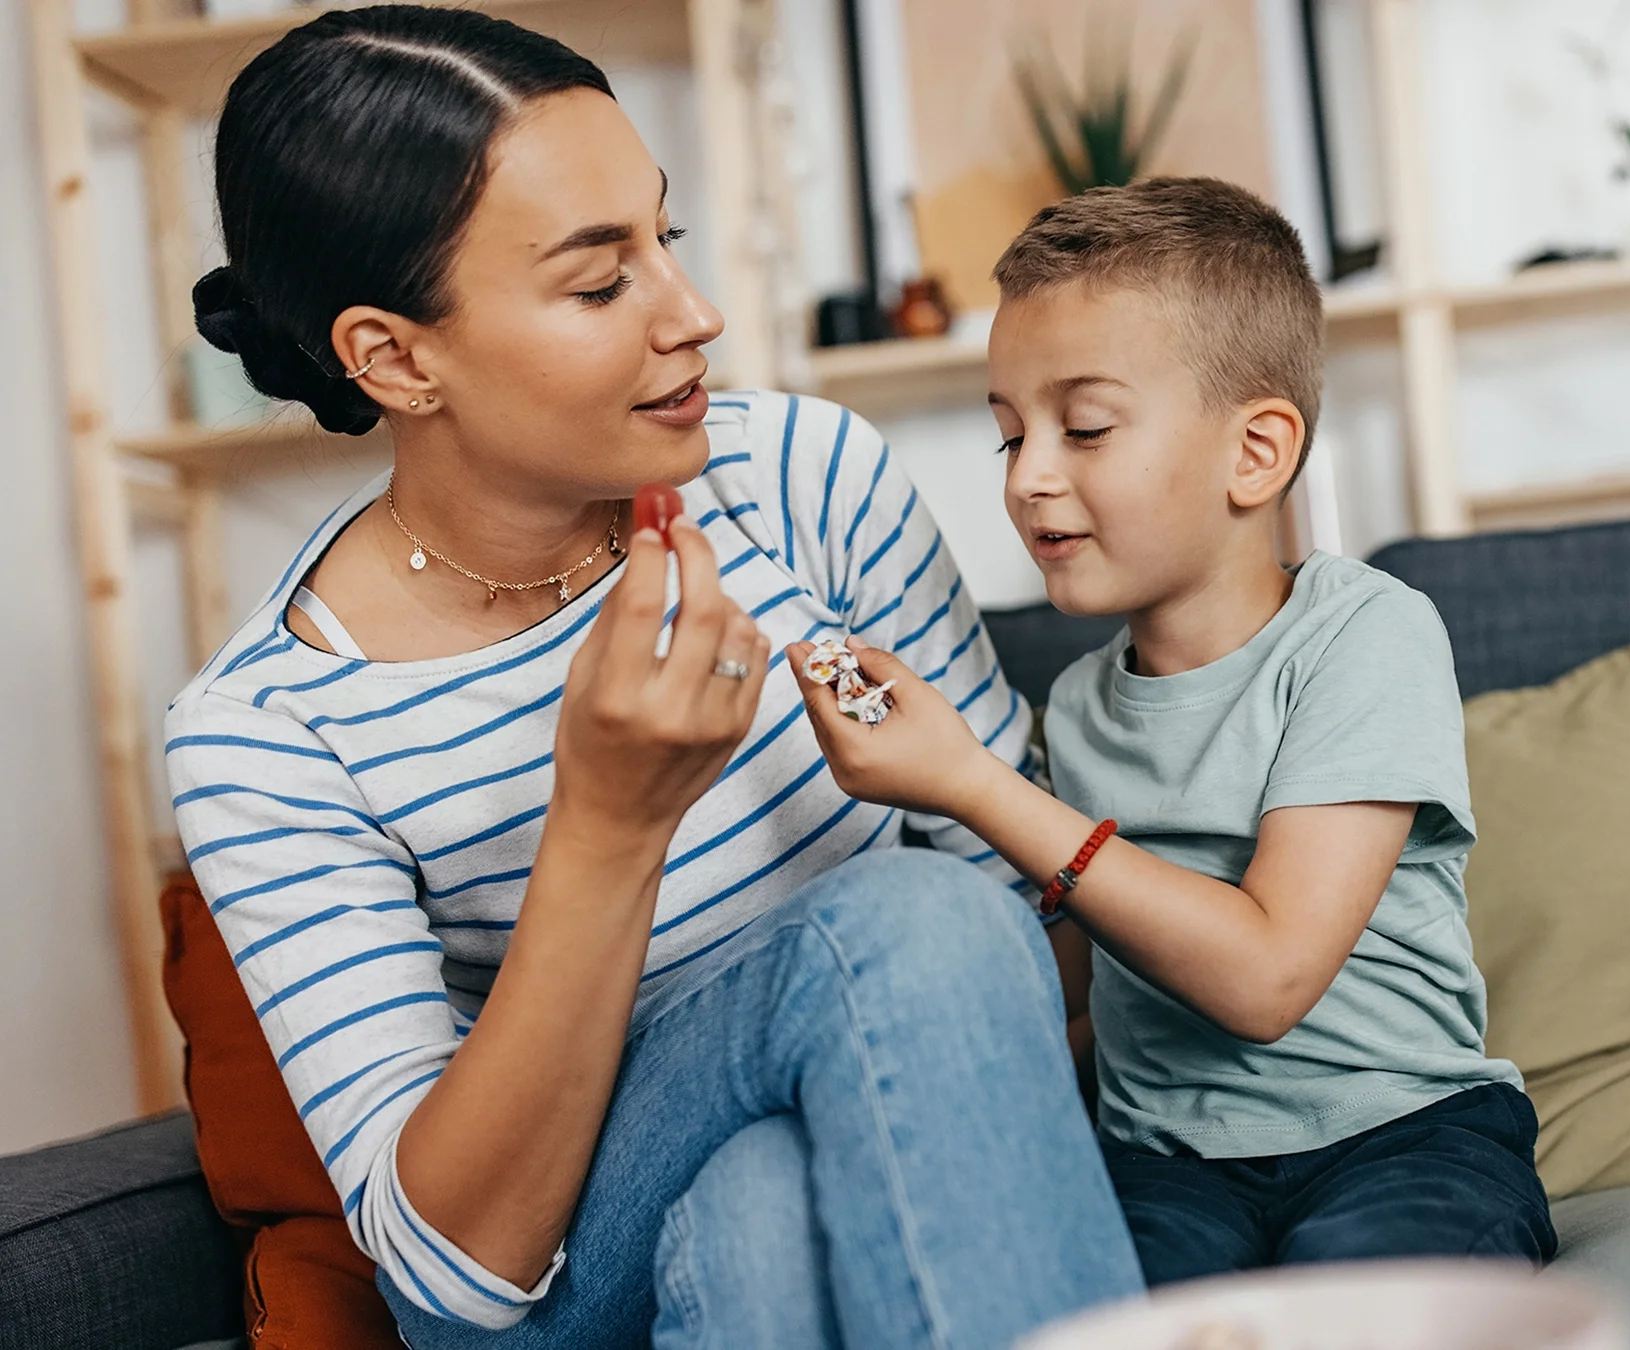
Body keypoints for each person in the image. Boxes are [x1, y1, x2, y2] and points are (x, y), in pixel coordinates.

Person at [161, 8, 1140, 1347]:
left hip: (870, 1154)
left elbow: (1031, 954)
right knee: (899, 917)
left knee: (762, 1202)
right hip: (543, 1279)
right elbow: (454, 1273)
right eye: (598, 281)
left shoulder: (802, 482)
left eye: (662, 239)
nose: (696, 315)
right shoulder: (267, 730)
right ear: (395, 356)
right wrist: (610, 824)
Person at [800, 177, 1557, 1287]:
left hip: (1404, 1137)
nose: (1030, 478)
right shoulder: (1081, 707)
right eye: (1010, 437)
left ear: (1256, 453)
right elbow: (1089, 988)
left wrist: (972, 783)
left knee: (1366, 1302)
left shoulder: (1366, 637)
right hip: (1167, 1167)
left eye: (1085, 427)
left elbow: (1266, 977)